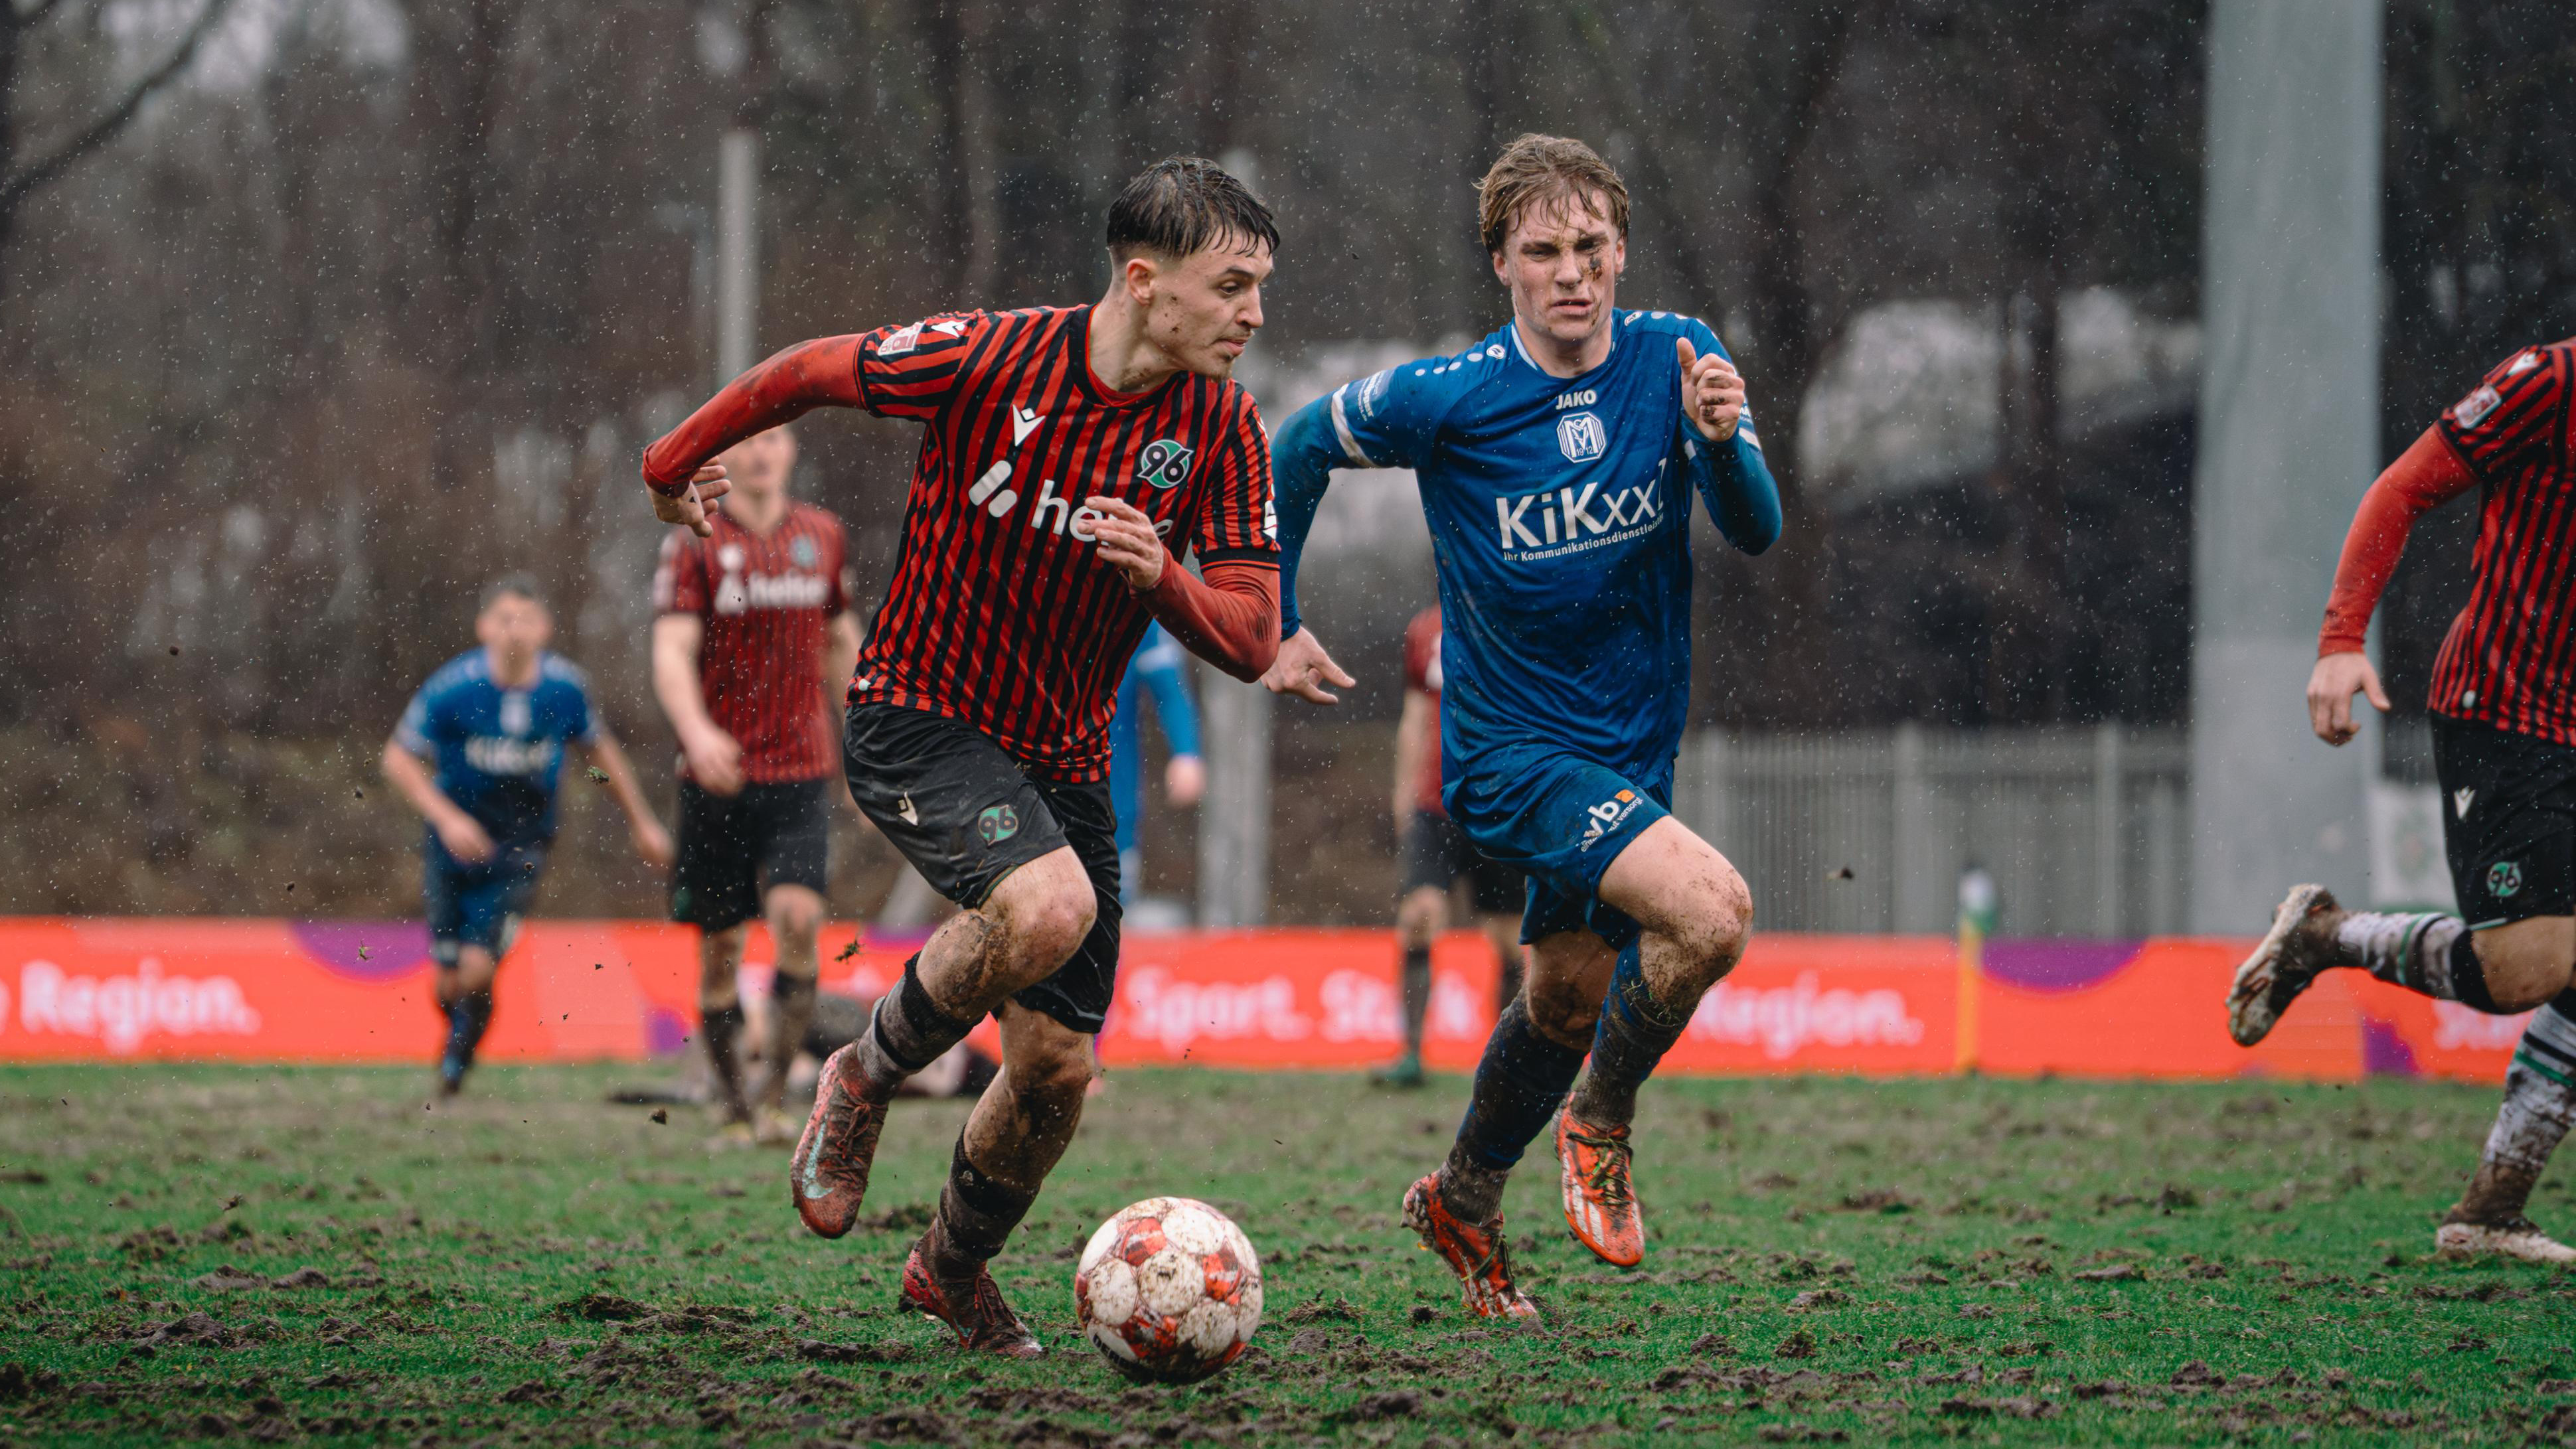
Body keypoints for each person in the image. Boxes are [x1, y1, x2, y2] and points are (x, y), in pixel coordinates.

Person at [637, 157, 1281, 1355]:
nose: (1254, 313)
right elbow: (800, 373)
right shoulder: (989, 357)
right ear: (1146, 284)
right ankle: (863, 1078)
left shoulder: (1223, 427)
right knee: (1046, 907)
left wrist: (1164, 577)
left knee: (1057, 1070)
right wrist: (670, 462)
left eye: (1260, 287)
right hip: (918, 713)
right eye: (1232, 285)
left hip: (1063, 757)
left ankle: (949, 1265)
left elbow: (1249, 631)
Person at [1263, 135, 1780, 1318]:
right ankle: (1599, 1122)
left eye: (1591, 247)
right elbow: (1296, 441)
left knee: (1561, 997)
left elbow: (1754, 530)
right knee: (1713, 913)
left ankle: (1460, 1193)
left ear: (1622, 250)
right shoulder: (1448, 397)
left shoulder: (1680, 356)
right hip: (1506, 756)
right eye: (1542, 250)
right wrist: (1275, 618)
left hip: (1630, 749)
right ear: (1501, 262)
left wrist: (1717, 440)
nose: (1571, 273)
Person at [2228, 339, 2576, 1264]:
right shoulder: (2551, 382)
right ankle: (2323, 937)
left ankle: (2492, 1210)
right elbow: (2403, 487)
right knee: (2525, 968)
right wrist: (2342, 637)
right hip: (2506, 709)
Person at [381, 575, 673, 1097]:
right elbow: (399, 758)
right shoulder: (452, 688)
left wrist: (640, 819)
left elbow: (598, 759)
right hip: (451, 843)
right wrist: (446, 817)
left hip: (522, 847)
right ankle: (463, 1039)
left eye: (525, 619)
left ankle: (455, 1061)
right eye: (503, 618)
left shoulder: (564, 690)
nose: (513, 630)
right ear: (483, 626)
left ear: (546, 629)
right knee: (447, 980)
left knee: (475, 966)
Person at [651, 423, 861, 1145]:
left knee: (800, 922)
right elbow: (672, 651)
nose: (761, 451)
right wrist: (697, 731)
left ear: (793, 451)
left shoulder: (824, 535)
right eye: (747, 441)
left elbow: (839, 640)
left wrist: (863, 736)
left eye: (774, 439)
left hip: (802, 769)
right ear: (726, 457)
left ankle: (775, 1099)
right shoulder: (693, 538)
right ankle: (734, 1105)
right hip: (718, 777)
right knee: (720, 956)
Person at [1376, 603, 1527, 1088]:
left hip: (1501, 807)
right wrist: (1403, 794)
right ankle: (1411, 1056)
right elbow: (1415, 714)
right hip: (1435, 804)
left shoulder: (1523, 618)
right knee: (1419, 915)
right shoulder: (1427, 628)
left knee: (1508, 938)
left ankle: (1508, 1062)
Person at [1107, 622, 1206, 907]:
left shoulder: (1131, 612)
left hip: (1108, 801)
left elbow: (1170, 690)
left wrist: (1187, 751)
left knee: (1108, 908)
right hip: (1022, 791)